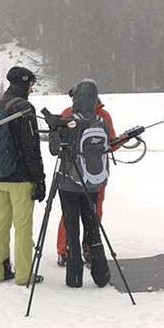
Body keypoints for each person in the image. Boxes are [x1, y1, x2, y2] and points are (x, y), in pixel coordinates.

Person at [49, 79, 112, 288]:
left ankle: (74, 276)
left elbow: (55, 149)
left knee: (72, 228)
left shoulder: (69, 119)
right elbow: (108, 145)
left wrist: (54, 131)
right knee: (93, 226)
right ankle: (101, 274)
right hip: (93, 183)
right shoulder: (101, 121)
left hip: (69, 183)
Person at [0, 66, 46, 286]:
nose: (32, 89)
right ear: (23, 83)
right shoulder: (23, 107)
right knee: (23, 229)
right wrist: (39, 178)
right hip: (20, 179)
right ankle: (24, 275)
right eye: (31, 84)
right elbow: (31, 148)